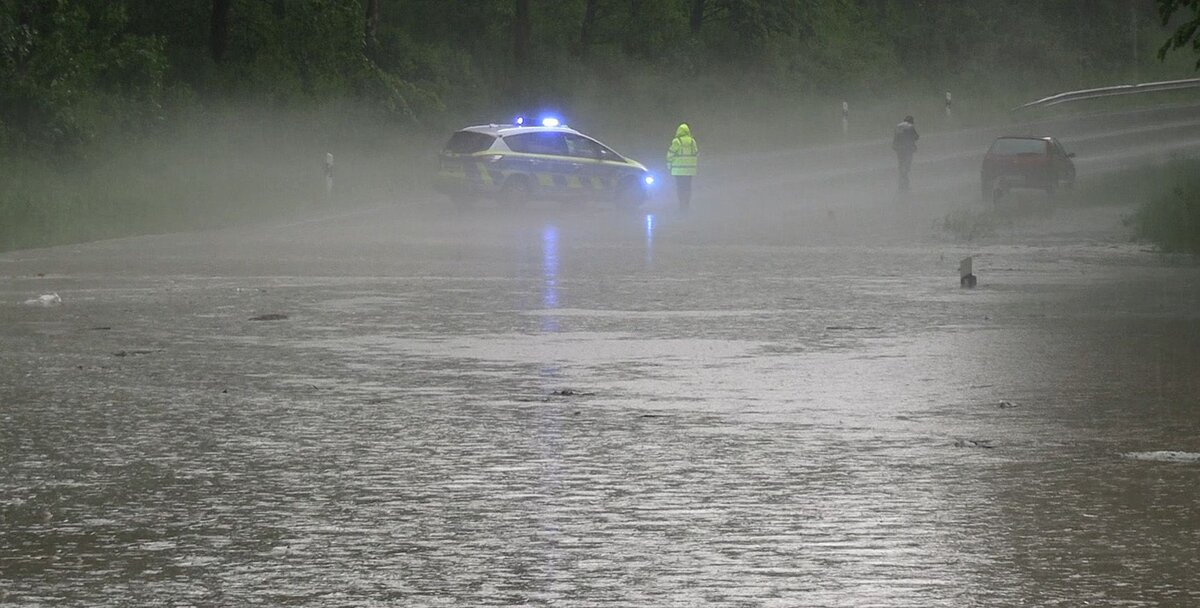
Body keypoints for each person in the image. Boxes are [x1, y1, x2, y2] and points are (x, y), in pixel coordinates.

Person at [666, 123, 699, 210]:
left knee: (680, 188)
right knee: (688, 188)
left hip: (678, 171)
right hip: (690, 171)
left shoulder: (677, 141)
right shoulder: (692, 141)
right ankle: (687, 204)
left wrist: (669, 165)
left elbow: (670, 154)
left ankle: (681, 205)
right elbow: (696, 153)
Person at [891, 115, 918, 191]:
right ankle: (905, 183)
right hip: (907, 149)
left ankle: (901, 183)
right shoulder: (910, 126)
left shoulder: (898, 126)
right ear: (911, 121)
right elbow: (916, 137)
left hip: (899, 149)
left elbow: (895, 138)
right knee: (907, 164)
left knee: (901, 164)